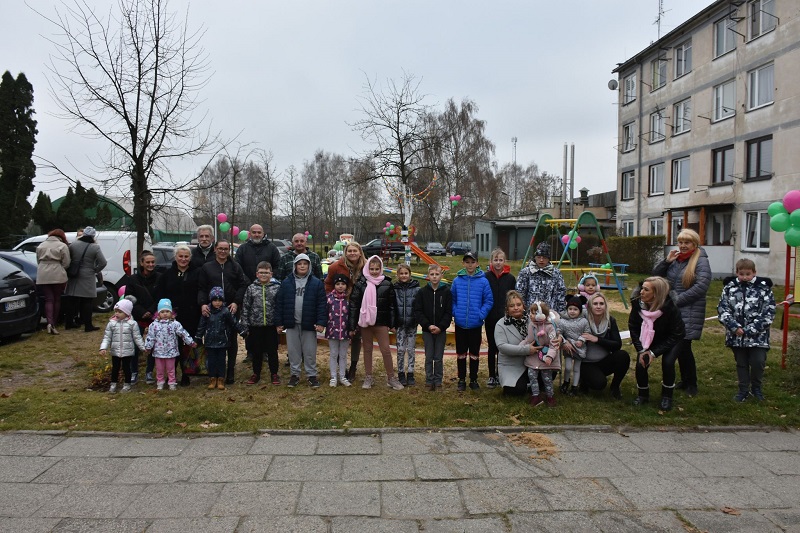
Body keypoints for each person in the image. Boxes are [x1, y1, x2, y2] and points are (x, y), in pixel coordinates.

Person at [653, 228, 711, 398]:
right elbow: (655, 277)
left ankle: (691, 383)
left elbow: (701, 286)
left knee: (683, 345)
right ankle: (687, 381)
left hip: (689, 310)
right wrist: (666, 261)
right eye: (680, 242)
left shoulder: (700, 261)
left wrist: (676, 301)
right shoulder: (676, 260)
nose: (683, 245)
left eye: (687, 242)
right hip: (674, 311)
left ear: (695, 244)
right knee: (683, 348)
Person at [717, 258, 776, 402]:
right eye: (741, 274)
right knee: (741, 363)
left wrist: (750, 329)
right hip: (736, 336)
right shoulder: (729, 288)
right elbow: (722, 309)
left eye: (748, 274)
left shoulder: (763, 289)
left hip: (758, 336)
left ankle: (756, 388)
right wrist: (734, 326)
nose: (744, 277)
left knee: (758, 362)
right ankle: (743, 390)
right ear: (737, 273)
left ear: (754, 272)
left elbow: (768, 312)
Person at [629, 277, 686, 411]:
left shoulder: (671, 308)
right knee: (641, 363)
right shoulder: (637, 305)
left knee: (668, 362)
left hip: (673, 339)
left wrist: (653, 353)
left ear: (656, 294)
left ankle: (667, 396)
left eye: (646, 289)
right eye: (641, 288)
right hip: (648, 338)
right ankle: (643, 395)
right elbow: (633, 327)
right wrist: (642, 350)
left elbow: (676, 334)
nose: (641, 292)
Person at [198, 239, 249, 385]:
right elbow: (201, 287)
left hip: (231, 308)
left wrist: (236, 302)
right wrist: (203, 304)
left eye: (226, 249)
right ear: (215, 249)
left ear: (229, 250)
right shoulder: (207, 267)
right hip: (212, 310)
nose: (223, 251)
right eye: (220, 248)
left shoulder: (235, 266)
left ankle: (230, 371)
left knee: (231, 340)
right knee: (213, 340)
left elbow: (243, 284)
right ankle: (214, 373)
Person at [348, 255, 402, 390]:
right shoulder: (360, 284)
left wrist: (392, 324)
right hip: (365, 322)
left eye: (377, 269)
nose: (374, 271)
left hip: (381, 322)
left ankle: (391, 377)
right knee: (367, 349)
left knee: (386, 349)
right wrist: (352, 325)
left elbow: (392, 306)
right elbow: (354, 305)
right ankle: (368, 376)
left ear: (381, 269)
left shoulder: (387, 284)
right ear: (367, 268)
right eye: (371, 269)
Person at [275, 254, 327, 388]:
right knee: (293, 351)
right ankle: (295, 375)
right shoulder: (286, 282)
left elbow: (322, 304)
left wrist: (321, 322)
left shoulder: (316, 283)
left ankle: (311, 375)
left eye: (305, 264)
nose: (302, 266)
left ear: (309, 266)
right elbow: (280, 303)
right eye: (299, 264)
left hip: (309, 323)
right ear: (295, 266)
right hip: (292, 323)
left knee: (310, 351)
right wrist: (279, 323)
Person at [155, 244, 202, 386]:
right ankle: (172, 374)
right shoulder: (167, 275)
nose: (183, 259)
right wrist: (164, 312)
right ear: (175, 257)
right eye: (180, 256)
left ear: (190, 258)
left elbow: (201, 291)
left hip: (192, 315)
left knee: (188, 345)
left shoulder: (197, 272)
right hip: (172, 317)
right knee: (173, 346)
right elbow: (160, 294)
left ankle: (187, 374)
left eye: (186, 256)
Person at [451, 251, 493, 391]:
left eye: (472, 262)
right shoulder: (457, 281)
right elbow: (452, 299)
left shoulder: (483, 281)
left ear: (477, 263)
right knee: (461, 353)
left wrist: (481, 314)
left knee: (474, 353)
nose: (470, 265)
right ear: (463, 263)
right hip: (460, 324)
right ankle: (461, 379)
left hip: (475, 324)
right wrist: (455, 312)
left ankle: (473, 379)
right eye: (467, 262)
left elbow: (488, 301)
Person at [325, 242, 367, 381]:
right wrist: (331, 299)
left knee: (356, 336)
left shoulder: (366, 266)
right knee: (338, 336)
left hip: (359, 304)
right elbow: (328, 283)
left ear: (360, 252)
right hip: (340, 304)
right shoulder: (336, 267)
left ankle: (353, 366)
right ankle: (341, 366)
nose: (352, 253)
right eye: (349, 251)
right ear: (345, 252)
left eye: (355, 250)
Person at [579, 292, 631, 399]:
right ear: (590, 306)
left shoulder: (610, 321)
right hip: (586, 363)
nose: (598, 306)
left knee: (623, 355)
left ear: (605, 306)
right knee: (599, 384)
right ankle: (583, 380)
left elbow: (617, 345)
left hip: (604, 360)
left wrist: (597, 340)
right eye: (595, 304)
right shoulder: (582, 321)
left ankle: (615, 387)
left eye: (601, 304)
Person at [196, 287, 247, 391]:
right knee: (211, 361)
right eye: (215, 300)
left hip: (223, 341)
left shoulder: (226, 311)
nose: (217, 303)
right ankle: (212, 379)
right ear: (211, 300)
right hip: (210, 341)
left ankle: (220, 379)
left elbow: (234, 323)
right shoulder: (207, 311)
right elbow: (201, 326)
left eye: (220, 300)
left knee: (221, 361)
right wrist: (197, 337)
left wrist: (242, 331)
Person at [495, 290, 543, 397]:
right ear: (507, 309)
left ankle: (533, 384)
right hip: (511, 365)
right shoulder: (500, 324)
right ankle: (525, 385)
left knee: (549, 374)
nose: (516, 308)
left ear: (523, 306)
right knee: (516, 391)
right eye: (512, 306)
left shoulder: (532, 320)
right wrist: (526, 350)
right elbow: (502, 347)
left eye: (518, 304)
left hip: (533, 361)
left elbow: (548, 330)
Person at [240, 261, 281, 385]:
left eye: (266, 273)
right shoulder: (251, 288)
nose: (264, 275)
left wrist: (280, 323)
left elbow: (280, 306)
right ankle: (256, 373)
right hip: (255, 326)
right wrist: (245, 325)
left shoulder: (277, 288)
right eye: (261, 272)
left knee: (272, 351)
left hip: (271, 325)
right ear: (257, 274)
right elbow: (246, 307)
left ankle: (274, 373)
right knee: (256, 351)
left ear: (271, 274)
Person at [414, 264, 452, 391]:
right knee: (429, 357)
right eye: (432, 274)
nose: (434, 277)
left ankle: (438, 381)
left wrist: (441, 327)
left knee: (438, 357)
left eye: (437, 274)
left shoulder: (446, 292)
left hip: (441, 331)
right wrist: (428, 325)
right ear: (428, 276)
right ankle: (429, 381)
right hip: (427, 330)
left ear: (441, 275)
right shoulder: (422, 292)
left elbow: (448, 312)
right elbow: (418, 311)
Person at [144, 299, 197, 391]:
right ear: (158, 313)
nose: (165, 314)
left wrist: (191, 342)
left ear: (171, 313)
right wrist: (148, 347)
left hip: (171, 351)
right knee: (159, 369)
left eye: (167, 311)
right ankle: (160, 382)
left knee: (171, 368)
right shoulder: (154, 325)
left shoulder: (175, 324)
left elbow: (183, 333)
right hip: (158, 352)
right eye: (162, 312)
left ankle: (172, 382)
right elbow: (150, 337)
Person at [125, 250, 160, 385]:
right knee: (135, 345)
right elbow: (129, 298)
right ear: (142, 263)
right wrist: (141, 311)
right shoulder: (133, 279)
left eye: (153, 262)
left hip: (154, 316)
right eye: (148, 262)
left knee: (153, 345)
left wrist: (151, 311)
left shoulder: (159, 277)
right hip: (138, 316)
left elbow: (160, 296)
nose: (151, 264)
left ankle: (149, 371)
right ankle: (134, 371)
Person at [64, 226, 107, 332]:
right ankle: (88, 325)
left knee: (72, 300)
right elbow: (103, 262)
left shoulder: (73, 245)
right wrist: (95, 270)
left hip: (74, 275)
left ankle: (69, 323)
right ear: (93, 236)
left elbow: (68, 259)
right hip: (88, 276)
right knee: (87, 301)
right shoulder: (95, 247)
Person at [99, 298, 145, 393]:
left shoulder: (132, 324)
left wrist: (143, 348)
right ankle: (113, 384)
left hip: (127, 351)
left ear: (127, 313)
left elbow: (137, 337)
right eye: (116, 311)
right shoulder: (111, 323)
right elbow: (107, 337)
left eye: (120, 312)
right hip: (115, 350)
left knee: (126, 368)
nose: (117, 314)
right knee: (115, 368)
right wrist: (103, 347)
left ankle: (127, 384)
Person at [485, 248, 516, 388]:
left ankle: (501, 374)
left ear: (505, 261)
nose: (498, 263)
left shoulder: (510, 278)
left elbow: (513, 298)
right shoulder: (486, 277)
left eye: (501, 260)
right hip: (490, 318)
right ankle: (492, 375)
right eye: (495, 260)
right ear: (491, 261)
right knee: (492, 347)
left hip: (505, 319)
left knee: (502, 347)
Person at [522, 301, 560, 407]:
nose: (531, 315)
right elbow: (529, 339)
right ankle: (535, 395)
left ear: (541, 315)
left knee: (546, 377)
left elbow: (553, 344)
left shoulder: (550, 327)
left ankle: (550, 395)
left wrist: (550, 356)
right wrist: (521, 347)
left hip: (546, 356)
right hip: (534, 355)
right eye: (530, 312)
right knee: (531, 374)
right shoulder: (531, 325)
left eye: (534, 313)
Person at [35, 229, 71, 335]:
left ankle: (49, 323)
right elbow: (66, 262)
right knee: (57, 299)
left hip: (43, 273)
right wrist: (60, 268)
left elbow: (38, 260)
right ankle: (53, 323)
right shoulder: (62, 246)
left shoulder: (40, 245)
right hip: (57, 272)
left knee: (48, 299)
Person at [515, 242, 567, 315]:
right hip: (530, 314)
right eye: (539, 257)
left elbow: (561, 293)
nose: (541, 260)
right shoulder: (525, 272)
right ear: (535, 257)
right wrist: (523, 312)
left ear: (548, 259)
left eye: (544, 257)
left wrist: (560, 312)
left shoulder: (556, 273)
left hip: (550, 314)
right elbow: (520, 293)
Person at [558, 295, 590, 396]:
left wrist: (581, 340)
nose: (572, 311)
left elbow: (587, 332)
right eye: (570, 309)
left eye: (575, 309)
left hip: (580, 348)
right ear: (567, 309)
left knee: (576, 368)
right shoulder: (562, 321)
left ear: (580, 310)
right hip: (568, 348)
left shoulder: (584, 321)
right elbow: (559, 333)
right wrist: (563, 341)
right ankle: (566, 382)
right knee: (567, 367)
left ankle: (575, 386)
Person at [393, 263, 420, 386]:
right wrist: (392, 323)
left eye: (406, 273)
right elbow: (392, 307)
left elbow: (419, 306)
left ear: (410, 274)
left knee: (411, 349)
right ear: (398, 275)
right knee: (400, 350)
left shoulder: (416, 289)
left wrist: (416, 319)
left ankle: (410, 373)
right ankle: (400, 373)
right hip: (400, 325)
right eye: (401, 273)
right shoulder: (394, 289)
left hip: (412, 324)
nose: (404, 275)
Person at [325, 273, 351, 387]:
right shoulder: (329, 298)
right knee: (334, 353)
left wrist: (353, 328)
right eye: (338, 284)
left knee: (343, 354)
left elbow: (352, 314)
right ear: (334, 285)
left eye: (343, 284)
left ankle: (342, 376)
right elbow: (325, 312)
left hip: (345, 331)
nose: (340, 286)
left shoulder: (349, 299)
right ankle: (333, 377)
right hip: (332, 330)